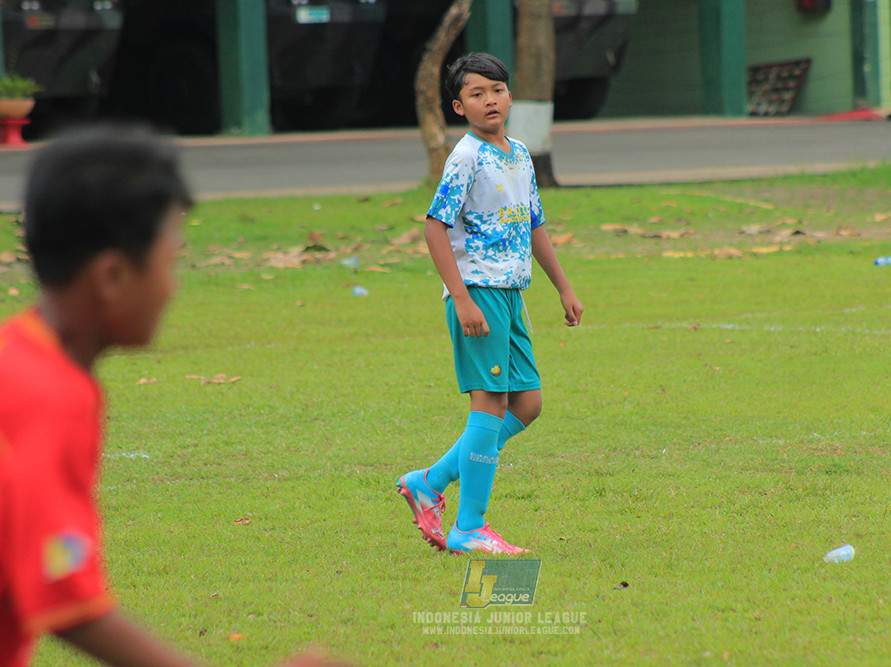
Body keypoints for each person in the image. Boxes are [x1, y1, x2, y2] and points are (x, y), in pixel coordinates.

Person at [0, 126, 340, 667]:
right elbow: (71, 603)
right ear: (112, 276)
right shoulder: (47, 394)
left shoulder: (18, 356)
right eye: (169, 259)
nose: (173, 286)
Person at [396, 53, 583, 555]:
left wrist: (563, 287)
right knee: (490, 404)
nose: (490, 100)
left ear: (509, 95)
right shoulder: (466, 157)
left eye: (496, 90)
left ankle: (429, 482)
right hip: (478, 293)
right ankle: (469, 528)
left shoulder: (519, 153)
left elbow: (533, 224)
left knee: (527, 403)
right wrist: (461, 299)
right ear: (461, 106)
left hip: (510, 295)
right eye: (476, 94)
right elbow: (434, 226)